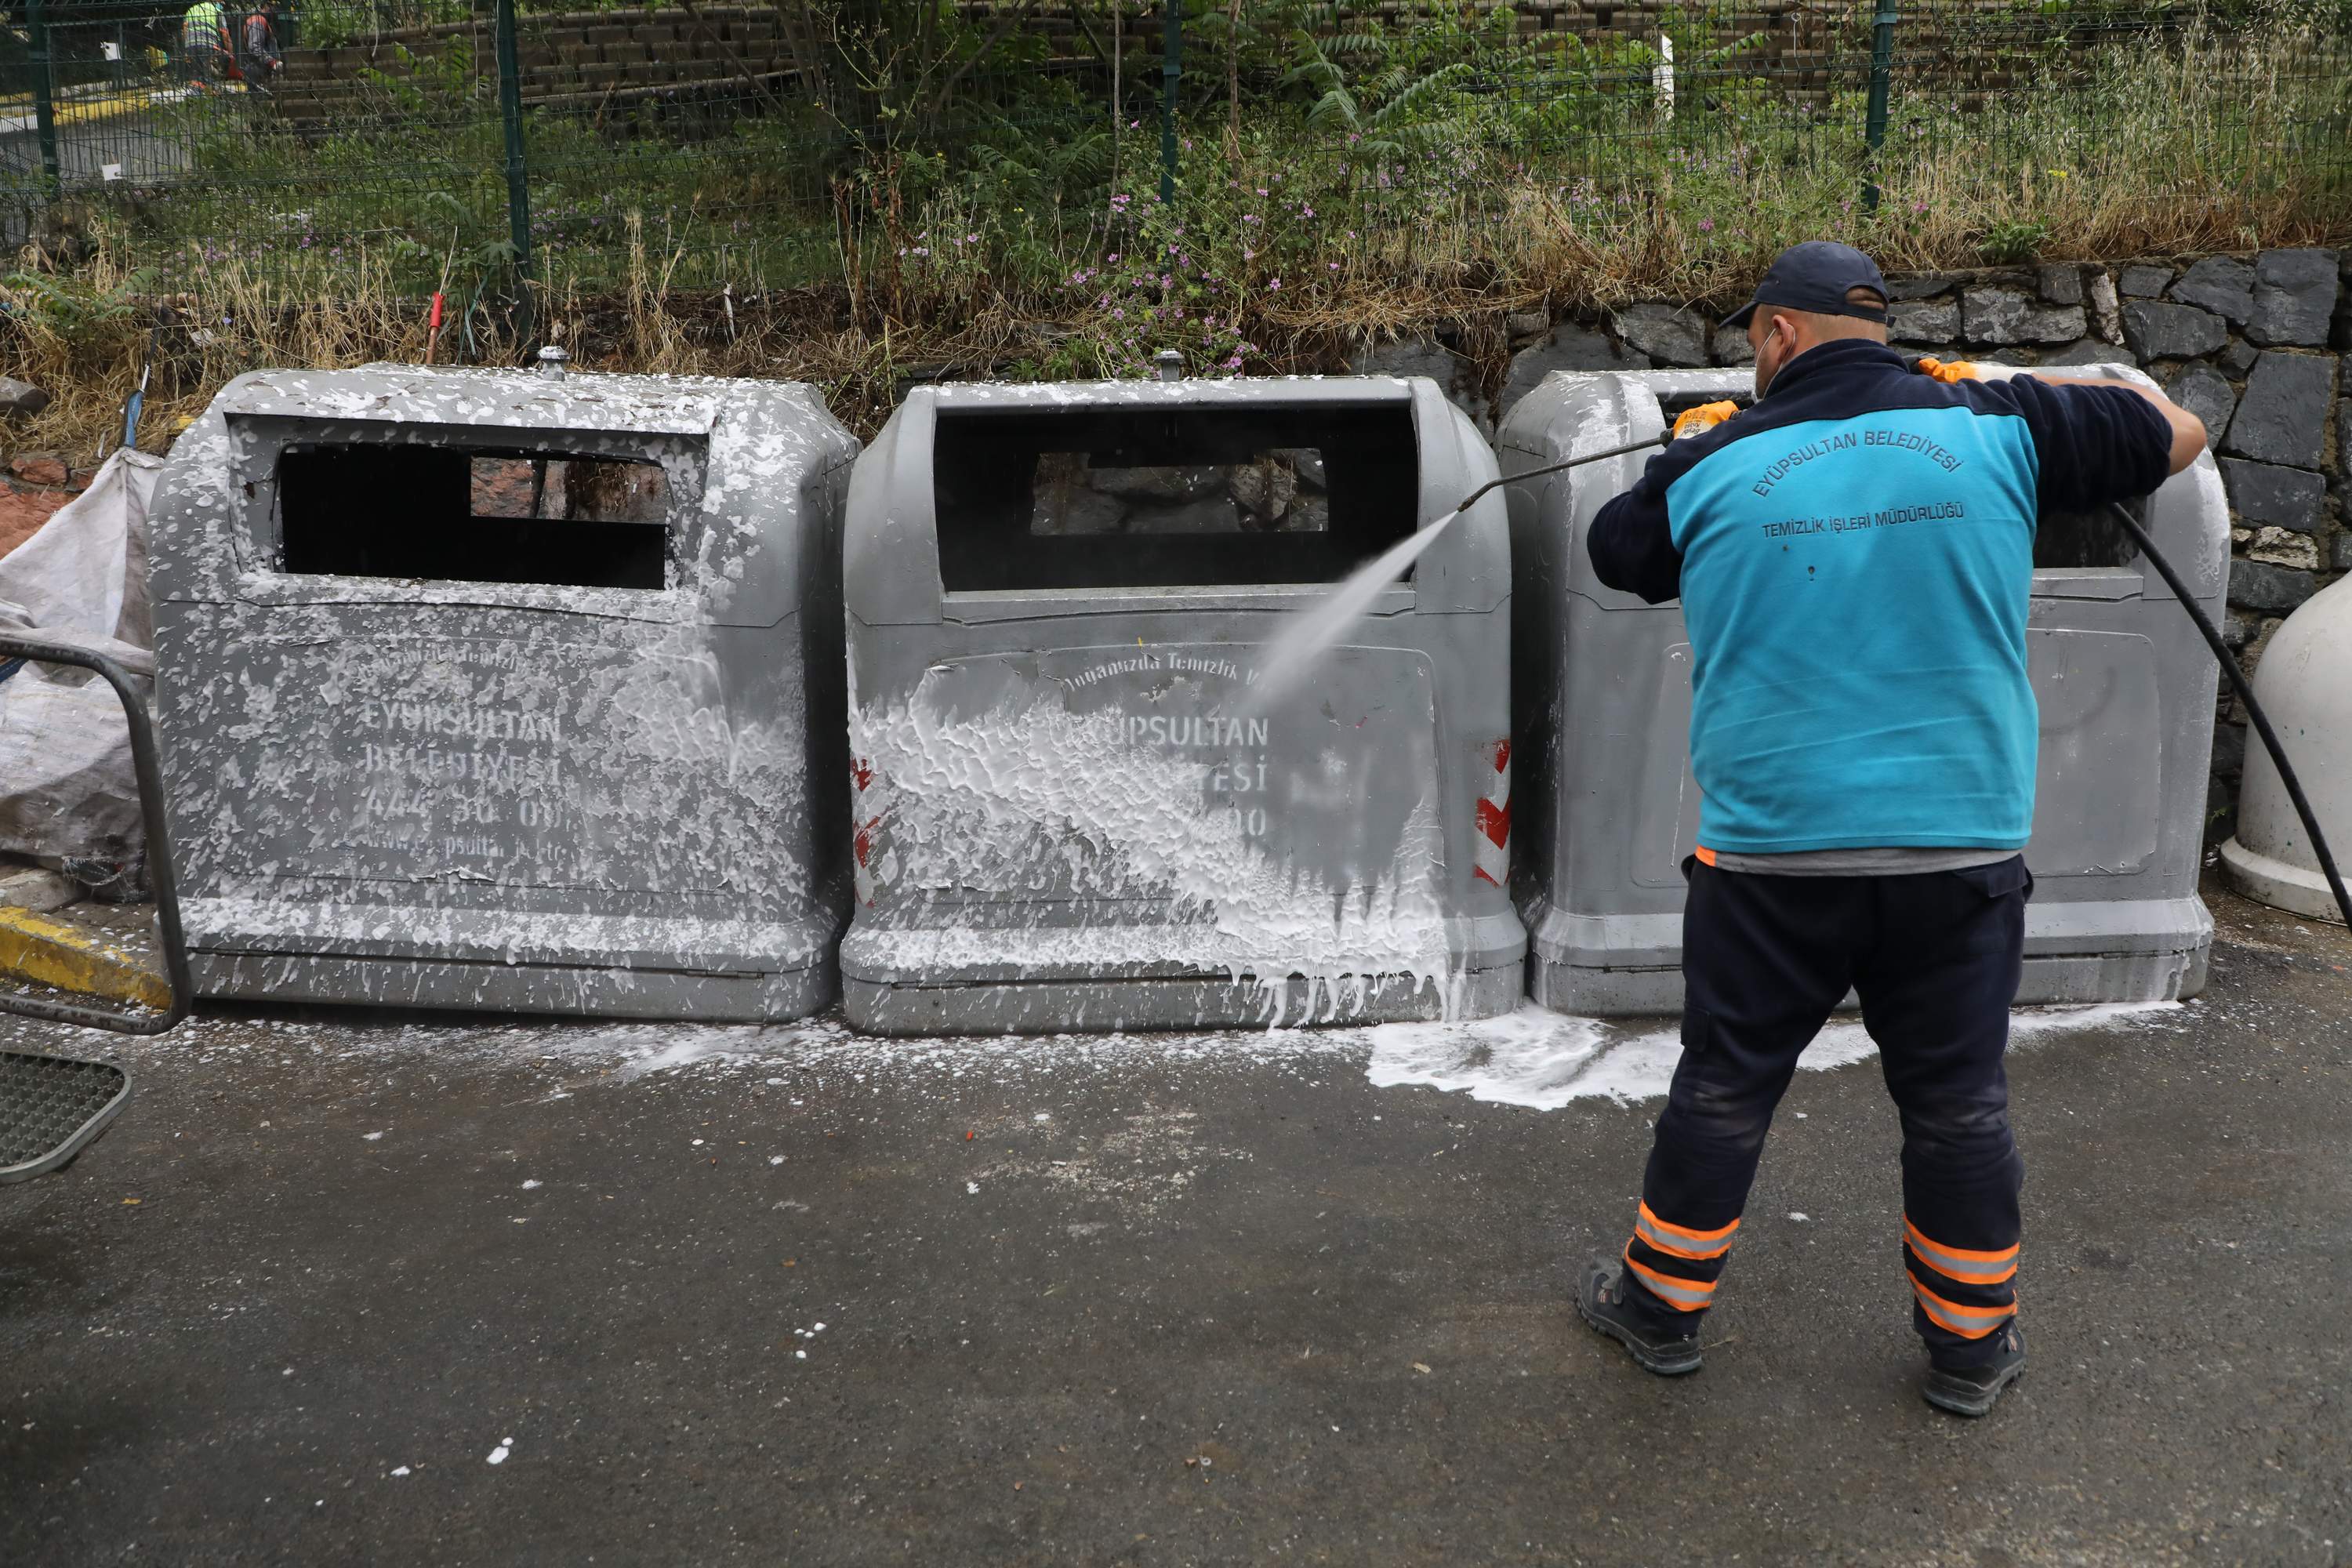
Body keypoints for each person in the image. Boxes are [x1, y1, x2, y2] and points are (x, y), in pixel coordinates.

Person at [1574, 241, 2205, 1417]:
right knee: (1958, 1103)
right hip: (1955, 857)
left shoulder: (1713, 461)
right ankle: (1971, 1350)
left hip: (1770, 863)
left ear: (1775, 336)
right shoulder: (2001, 427)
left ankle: (1659, 1312)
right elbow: (2174, 428)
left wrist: (1689, 450)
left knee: (1724, 1089)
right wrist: (1991, 383)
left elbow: (1617, 554)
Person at [180, 0, 235, 89]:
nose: (222, 6)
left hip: (190, 45)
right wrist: (231, 54)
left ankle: (197, 93)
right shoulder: (217, 12)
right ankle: (210, 92)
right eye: (221, 3)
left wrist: (186, 49)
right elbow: (225, 35)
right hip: (208, 45)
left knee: (196, 72)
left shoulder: (191, 10)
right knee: (207, 72)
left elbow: (185, 31)